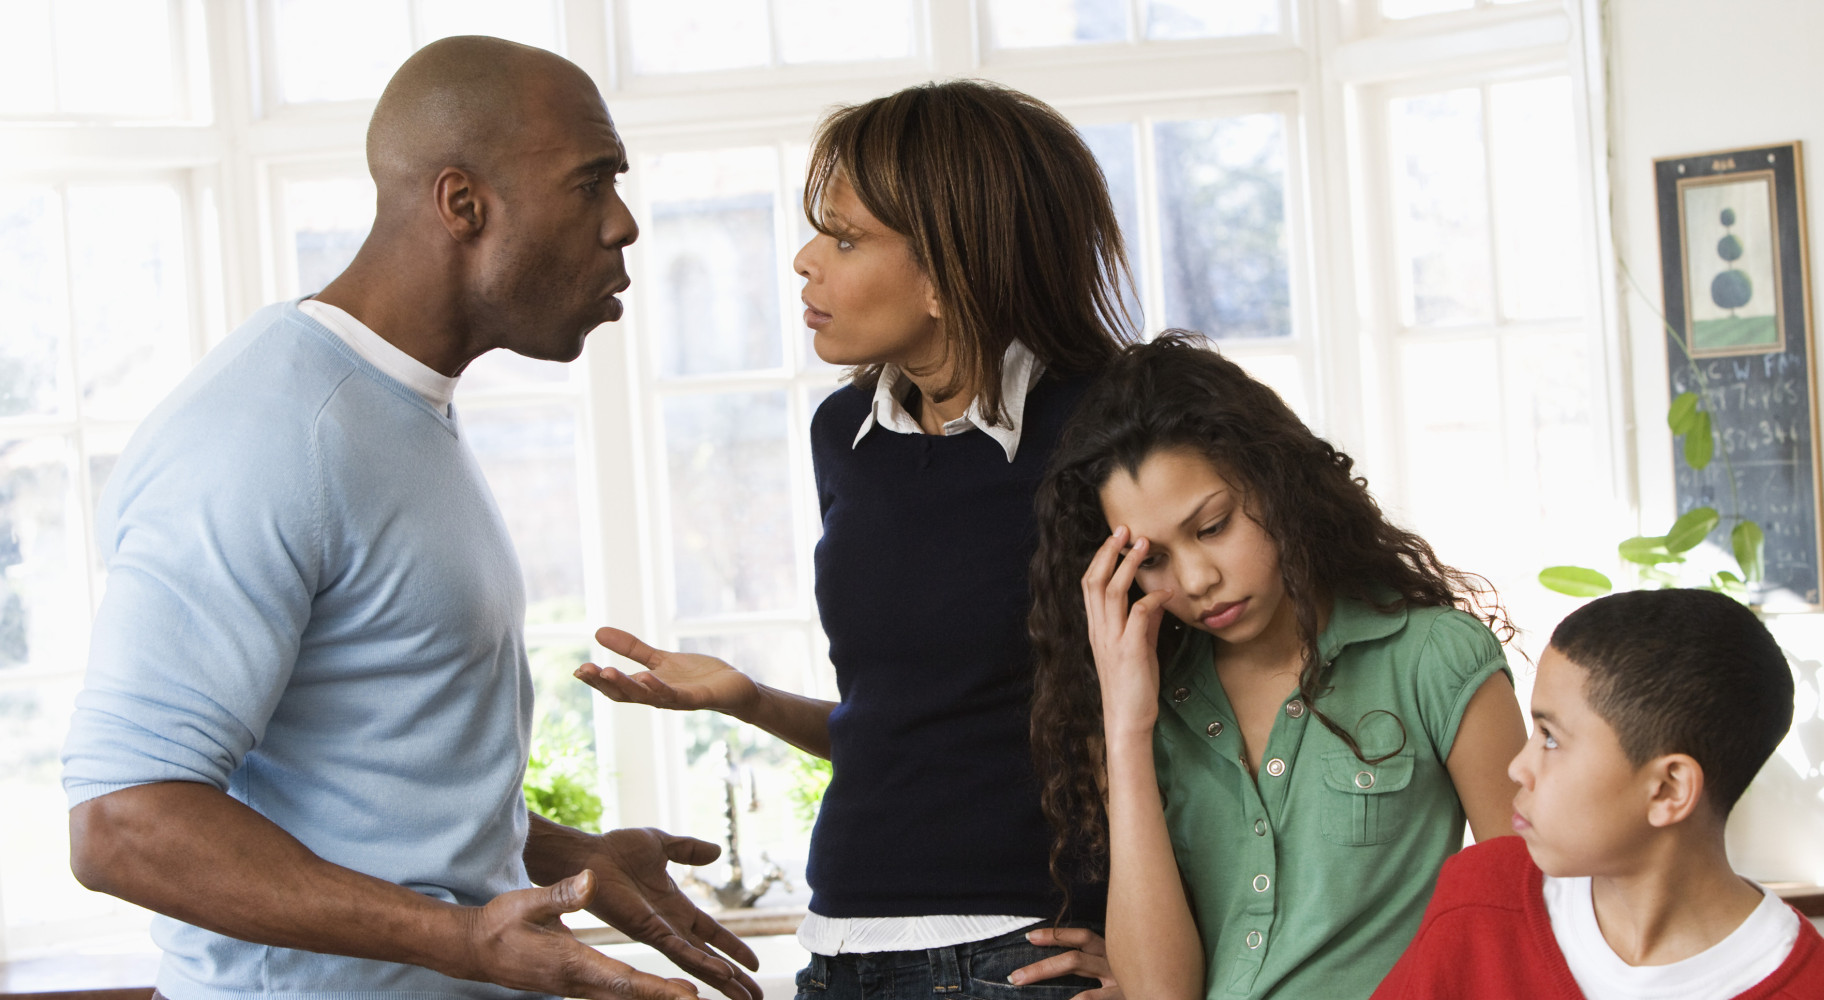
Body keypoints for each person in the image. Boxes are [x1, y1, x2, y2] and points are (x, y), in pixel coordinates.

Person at [61, 37, 759, 1000]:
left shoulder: (396, 410)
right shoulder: (267, 430)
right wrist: (464, 939)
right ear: (462, 203)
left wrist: (566, 857)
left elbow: (375, 786)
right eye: (591, 184)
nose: (625, 226)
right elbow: (122, 822)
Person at [573, 80, 1135, 999]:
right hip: (842, 948)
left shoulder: (1114, 425)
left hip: (1024, 950)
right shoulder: (847, 436)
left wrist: (1163, 946)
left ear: (954, 269)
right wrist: (746, 698)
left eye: (843, 237)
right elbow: (916, 731)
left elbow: (1212, 715)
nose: (803, 260)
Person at [1025, 334, 1528, 1000]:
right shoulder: (1144, 714)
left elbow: (1533, 920)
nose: (1197, 579)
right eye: (1152, 561)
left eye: (1212, 527)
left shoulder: (1435, 658)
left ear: (1276, 481)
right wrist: (1125, 724)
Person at [1370, 589, 1824, 999]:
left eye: (1551, 738)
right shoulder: (1480, 895)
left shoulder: (1821, 991)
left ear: (1668, 789)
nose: (1518, 767)